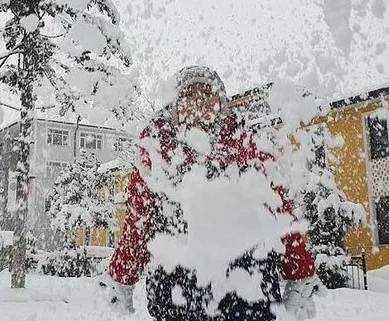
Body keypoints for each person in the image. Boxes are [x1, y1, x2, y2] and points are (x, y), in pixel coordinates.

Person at [100, 66, 326, 321]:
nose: (198, 100)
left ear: (221, 101)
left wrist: (300, 274)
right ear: (175, 104)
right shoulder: (156, 150)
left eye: (207, 92)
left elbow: (278, 210)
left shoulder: (247, 144)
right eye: (189, 94)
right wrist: (122, 276)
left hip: (247, 293)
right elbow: (139, 221)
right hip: (176, 296)